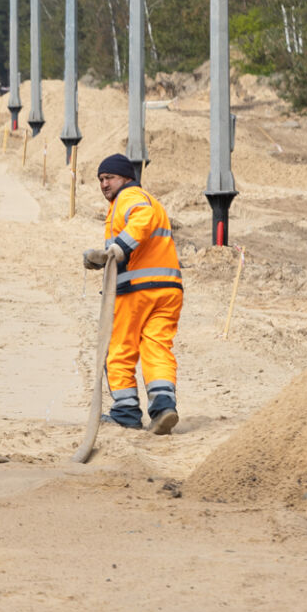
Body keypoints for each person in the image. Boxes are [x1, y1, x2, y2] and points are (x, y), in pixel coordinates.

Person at [82, 153, 183, 434]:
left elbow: (142, 219)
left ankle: (125, 413)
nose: (104, 184)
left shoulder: (129, 197)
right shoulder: (149, 201)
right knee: (157, 347)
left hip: (136, 291)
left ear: (126, 177)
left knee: (119, 349)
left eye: (109, 178)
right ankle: (164, 408)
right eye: (100, 179)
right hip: (168, 289)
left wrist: (118, 248)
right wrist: (101, 258)